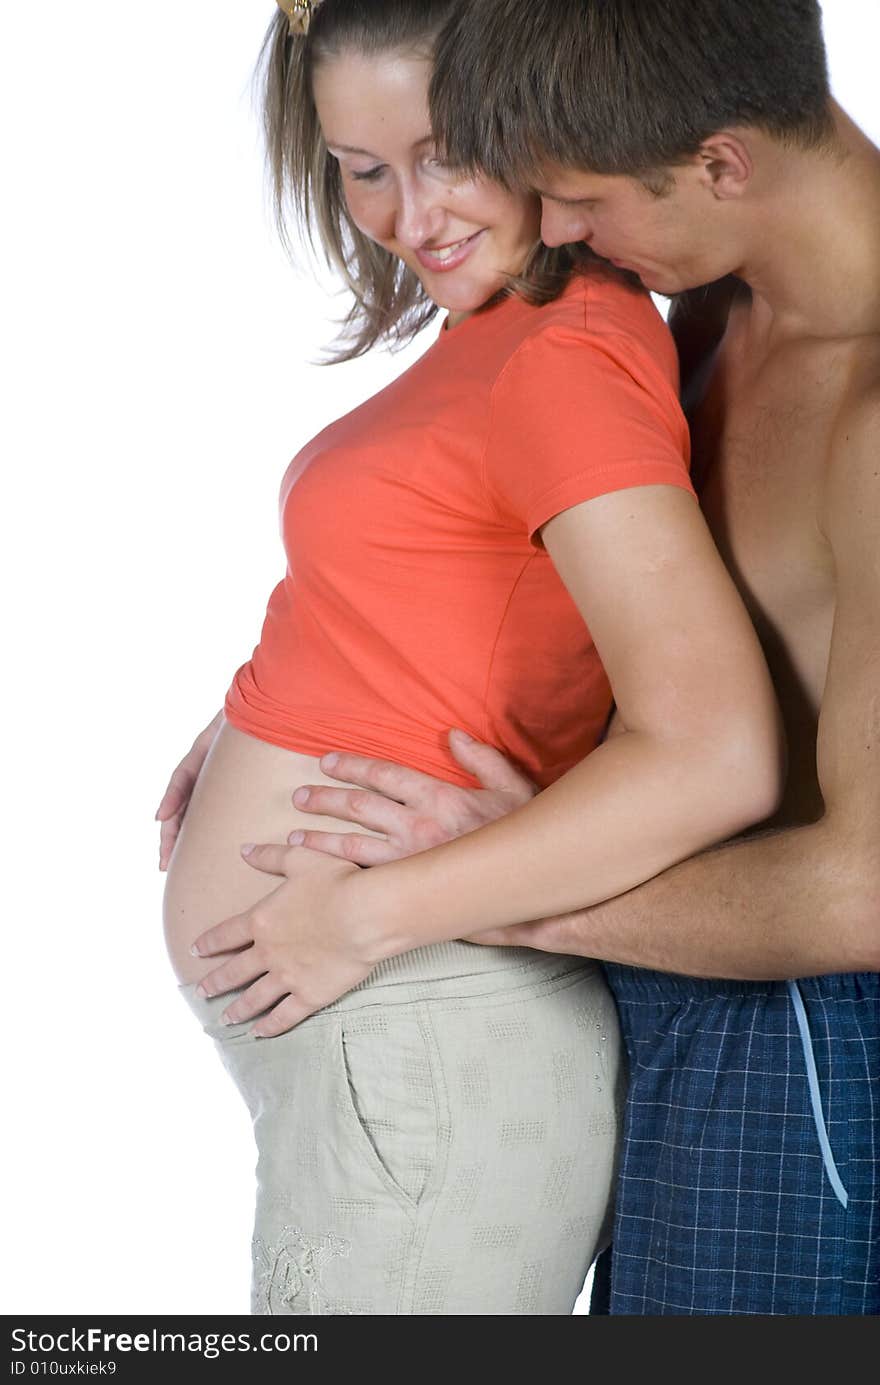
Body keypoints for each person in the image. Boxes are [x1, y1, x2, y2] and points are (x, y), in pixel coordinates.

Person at [198, 0, 879, 1317]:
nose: (554, 231)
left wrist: (478, 901)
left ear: (722, 162)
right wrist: (282, 714)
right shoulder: (710, 310)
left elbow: (864, 895)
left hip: (802, 1042)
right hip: (673, 990)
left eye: (575, 195)